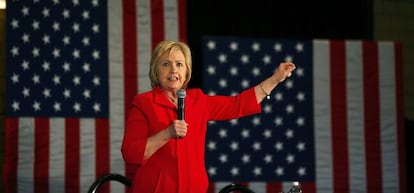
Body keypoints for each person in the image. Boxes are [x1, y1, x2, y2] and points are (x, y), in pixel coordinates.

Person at [120, 40, 296, 193]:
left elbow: (238, 104)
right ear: (155, 70)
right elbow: (131, 153)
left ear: (186, 71)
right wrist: (167, 134)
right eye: (166, 64)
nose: (173, 69)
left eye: (179, 64)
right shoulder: (144, 103)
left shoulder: (198, 101)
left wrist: (276, 79)